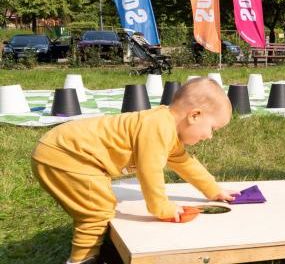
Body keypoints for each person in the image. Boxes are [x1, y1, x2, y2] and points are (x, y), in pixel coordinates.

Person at [32, 78, 239, 264]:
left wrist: (213, 190)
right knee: (97, 210)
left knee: (97, 204)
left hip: (66, 152)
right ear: (194, 115)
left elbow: (185, 163)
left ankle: (97, 247)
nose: (210, 136)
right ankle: (82, 259)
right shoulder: (158, 126)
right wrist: (162, 207)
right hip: (66, 155)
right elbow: (150, 171)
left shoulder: (168, 129)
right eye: (213, 128)